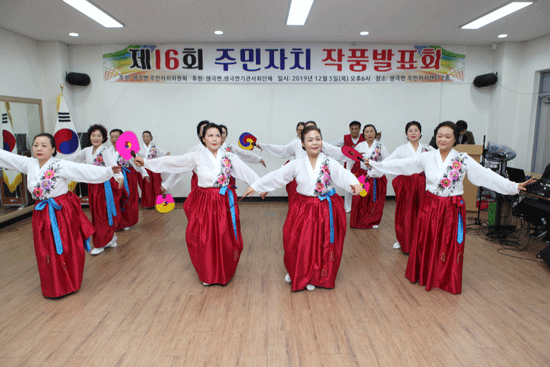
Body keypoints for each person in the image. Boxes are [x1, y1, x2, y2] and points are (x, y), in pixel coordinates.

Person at [366, 121, 535, 294]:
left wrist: (514, 186)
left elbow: (487, 176)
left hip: (451, 209)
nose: (443, 139)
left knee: (447, 243)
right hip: (430, 206)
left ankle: (444, 278)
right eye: (439, 136)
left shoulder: (463, 159)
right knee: (427, 240)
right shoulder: (427, 157)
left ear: (455, 139)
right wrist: (375, 165)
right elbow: (401, 164)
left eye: (448, 136)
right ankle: (424, 274)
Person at [134, 123, 260, 286]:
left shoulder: (229, 157)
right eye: (210, 135)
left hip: (224, 202)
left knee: (224, 236)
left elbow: (246, 172)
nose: (214, 138)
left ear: (222, 138)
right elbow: (173, 162)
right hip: (205, 201)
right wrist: (146, 162)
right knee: (204, 237)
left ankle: (224, 271)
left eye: (217, 135)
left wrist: (259, 186)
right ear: (203, 139)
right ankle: (208, 274)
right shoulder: (196, 156)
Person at [0, 133, 120, 298]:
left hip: (61, 212)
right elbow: (7, 157)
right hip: (41, 212)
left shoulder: (60, 165)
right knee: (44, 249)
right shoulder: (29, 163)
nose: (39, 148)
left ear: (53, 149)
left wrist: (108, 171)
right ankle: (52, 286)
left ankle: (69, 282)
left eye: (44, 145)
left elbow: (84, 170)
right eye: (36, 145)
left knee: (66, 247)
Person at [243, 125, 362, 291]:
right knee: (298, 241)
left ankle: (318, 276)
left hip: (325, 209)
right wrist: (256, 185)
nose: (315, 143)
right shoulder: (296, 164)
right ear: (303, 143)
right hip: (303, 208)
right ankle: (296, 272)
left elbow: (344, 175)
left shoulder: (330, 162)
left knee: (322, 243)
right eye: (310, 139)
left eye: (318, 139)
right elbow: (277, 176)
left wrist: (354, 184)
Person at [64, 124, 124, 255]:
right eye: (93, 135)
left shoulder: (105, 151)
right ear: (89, 136)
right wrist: (57, 163)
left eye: (99, 136)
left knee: (102, 214)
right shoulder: (87, 150)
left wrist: (119, 177)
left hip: (104, 186)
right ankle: (111, 238)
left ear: (103, 138)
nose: (96, 138)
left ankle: (101, 243)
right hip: (92, 185)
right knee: (97, 213)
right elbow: (74, 159)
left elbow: (113, 165)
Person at [258, 121, 347, 205]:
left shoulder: (322, 144)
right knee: (298, 210)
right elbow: (282, 151)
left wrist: (356, 155)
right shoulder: (296, 144)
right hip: (299, 182)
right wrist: (263, 146)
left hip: (318, 183)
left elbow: (337, 152)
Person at [385, 121, 433, 252]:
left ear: (420, 132)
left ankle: (421, 241)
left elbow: (439, 161)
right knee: (405, 212)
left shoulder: (428, 149)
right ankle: (403, 239)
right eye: (410, 130)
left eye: (416, 130)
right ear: (406, 133)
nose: (413, 133)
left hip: (423, 184)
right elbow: (388, 162)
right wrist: (373, 165)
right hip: (406, 185)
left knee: (422, 212)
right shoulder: (401, 149)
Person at [350, 124, 389, 229]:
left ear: (375, 133)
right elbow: (351, 159)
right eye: (367, 132)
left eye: (372, 131)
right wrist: (349, 173)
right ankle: (359, 220)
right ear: (363, 134)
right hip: (363, 175)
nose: (369, 134)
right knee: (360, 198)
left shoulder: (380, 146)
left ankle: (374, 220)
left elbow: (387, 161)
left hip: (376, 176)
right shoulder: (359, 146)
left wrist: (377, 167)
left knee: (375, 199)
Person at [109, 128, 149, 231]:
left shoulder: (126, 149)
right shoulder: (108, 151)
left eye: (116, 137)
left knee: (128, 198)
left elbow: (136, 163)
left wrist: (144, 173)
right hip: (114, 177)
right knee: (115, 200)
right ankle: (117, 222)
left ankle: (127, 221)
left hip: (127, 176)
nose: (114, 139)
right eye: (112, 137)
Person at [160, 120, 209, 193]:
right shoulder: (194, 151)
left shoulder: (219, 150)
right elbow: (181, 167)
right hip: (199, 186)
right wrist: (167, 184)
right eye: (204, 130)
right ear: (199, 134)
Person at [332, 121, 365, 212]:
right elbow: (335, 145)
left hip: (361, 167)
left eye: (356, 129)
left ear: (359, 129)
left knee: (362, 186)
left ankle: (360, 207)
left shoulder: (364, 137)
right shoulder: (345, 138)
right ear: (350, 129)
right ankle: (347, 207)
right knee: (348, 186)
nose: (354, 131)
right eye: (352, 129)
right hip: (349, 166)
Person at [138, 130, 169, 208]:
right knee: (146, 188)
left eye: (147, 136)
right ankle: (148, 204)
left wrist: (166, 154)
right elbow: (135, 156)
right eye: (144, 136)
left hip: (154, 168)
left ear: (151, 138)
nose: (145, 138)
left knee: (156, 186)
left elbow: (161, 152)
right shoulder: (139, 147)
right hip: (144, 169)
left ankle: (158, 203)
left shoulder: (154, 147)